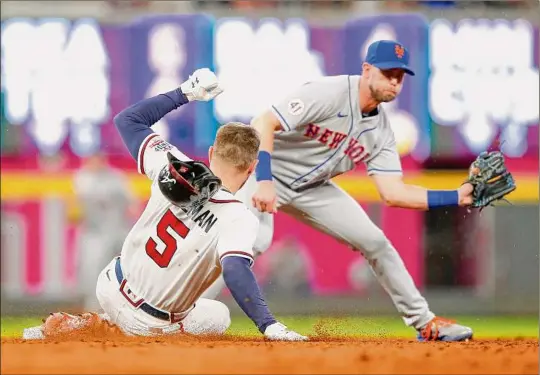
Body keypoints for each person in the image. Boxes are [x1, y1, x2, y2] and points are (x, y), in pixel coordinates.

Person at [202, 40, 475, 342]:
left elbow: (394, 193)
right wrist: (264, 180)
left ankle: (425, 324)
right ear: (367, 70)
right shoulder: (331, 93)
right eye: (387, 73)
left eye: (399, 76)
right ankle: (186, 309)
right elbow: (263, 122)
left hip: (313, 188)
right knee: (251, 240)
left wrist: (458, 196)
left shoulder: (381, 132)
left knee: (376, 243)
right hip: (268, 171)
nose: (394, 81)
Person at [22, 68, 307, 342]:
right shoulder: (239, 217)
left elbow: (128, 120)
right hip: (149, 323)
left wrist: (186, 92)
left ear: (211, 152)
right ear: (251, 167)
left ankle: (91, 324)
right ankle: (111, 329)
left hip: (110, 286)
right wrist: (269, 325)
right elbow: (235, 271)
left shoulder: (172, 164)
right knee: (218, 315)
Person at [71, 152, 136, 310]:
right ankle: (93, 310)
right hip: (95, 233)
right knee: (91, 271)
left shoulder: (117, 177)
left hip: (119, 230)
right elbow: (76, 208)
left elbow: (132, 206)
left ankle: (132, 306)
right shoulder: (82, 178)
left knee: (132, 267)